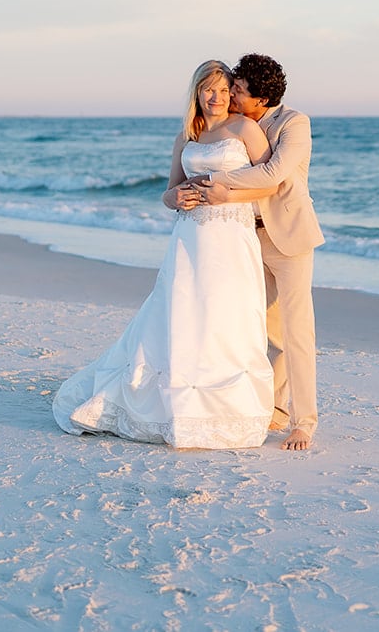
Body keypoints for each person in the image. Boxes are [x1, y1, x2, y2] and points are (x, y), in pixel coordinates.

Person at [51, 60, 274, 449]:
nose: (216, 97)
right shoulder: (189, 134)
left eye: (223, 90)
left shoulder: (245, 129)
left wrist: (227, 194)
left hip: (230, 236)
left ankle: (227, 408)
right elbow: (169, 191)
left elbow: (270, 186)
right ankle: (169, 403)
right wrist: (174, 198)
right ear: (196, 92)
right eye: (208, 89)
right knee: (182, 311)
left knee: (226, 314)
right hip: (189, 238)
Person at [187, 53, 324, 451]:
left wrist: (213, 180)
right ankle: (273, 410)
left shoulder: (294, 123)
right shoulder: (234, 124)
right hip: (246, 237)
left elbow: (271, 174)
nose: (231, 96)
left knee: (297, 333)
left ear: (261, 99)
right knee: (260, 330)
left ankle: (304, 422)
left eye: (240, 91)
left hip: (289, 237)